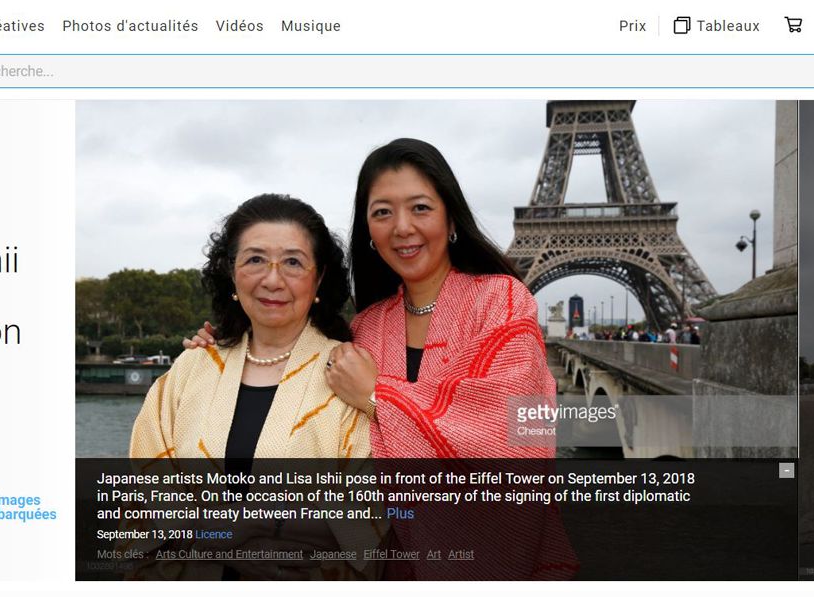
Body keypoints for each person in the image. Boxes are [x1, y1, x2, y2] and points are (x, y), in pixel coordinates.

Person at [185, 140, 576, 579]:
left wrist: (378, 395)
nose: (402, 227)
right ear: (368, 230)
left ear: (451, 219)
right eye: (382, 212)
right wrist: (227, 350)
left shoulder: (501, 301)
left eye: (421, 208)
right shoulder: (367, 327)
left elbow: (518, 435)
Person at [130, 194, 377, 580]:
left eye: (293, 262)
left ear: (320, 277)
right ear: (232, 273)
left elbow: (368, 514)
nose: (272, 280)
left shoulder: (348, 373)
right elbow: (143, 488)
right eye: (255, 259)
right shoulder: (192, 367)